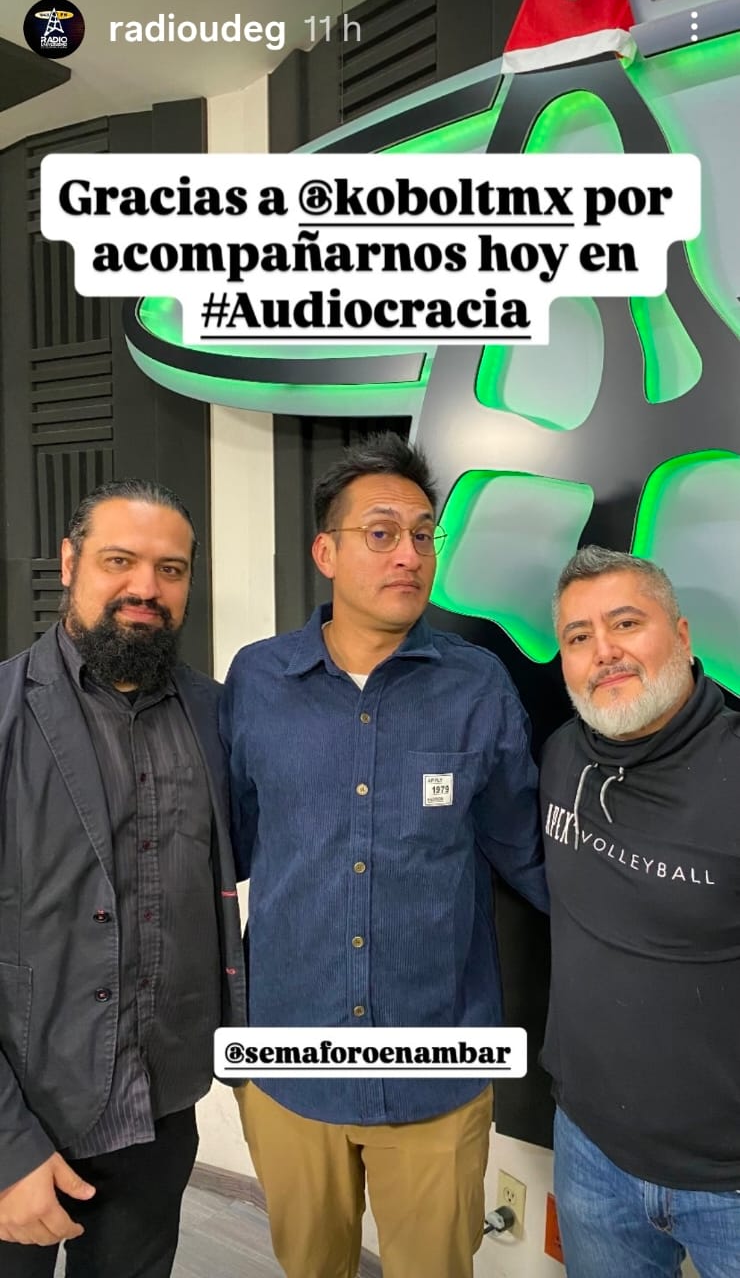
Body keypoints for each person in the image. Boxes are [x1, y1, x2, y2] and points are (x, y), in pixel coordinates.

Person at [221, 431, 547, 1278]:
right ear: (326, 552)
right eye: (381, 533)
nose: (409, 554)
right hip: (289, 1068)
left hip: (440, 1071)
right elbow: (229, 843)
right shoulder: (257, 681)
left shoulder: (477, 685)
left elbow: (528, 851)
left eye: (423, 534)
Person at [0, 479, 245, 1278]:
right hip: (25, 1113)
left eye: (170, 569)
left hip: (158, 1113)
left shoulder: (218, 717)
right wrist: (6, 1145)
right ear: (70, 562)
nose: (146, 587)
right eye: (119, 561)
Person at [541, 544, 740, 1278]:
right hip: (589, 1153)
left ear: (681, 635)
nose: (605, 652)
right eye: (579, 636)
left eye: (626, 623)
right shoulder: (561, 756)